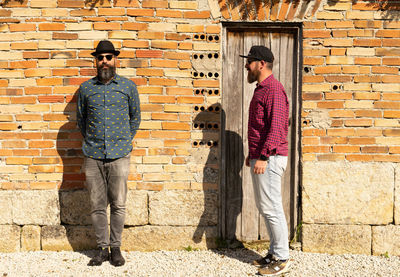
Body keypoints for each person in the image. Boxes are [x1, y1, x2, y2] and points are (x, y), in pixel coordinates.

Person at [77, 40, 141, 267]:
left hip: (120, 153)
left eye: (108, 57)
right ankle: (101, 249)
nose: (104, 61)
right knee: (96, 204)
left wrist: (122, 141)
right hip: (93, 154)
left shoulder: (128, 87)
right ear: (96, 61)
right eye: (100, 57)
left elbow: (136, 118)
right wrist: (93, 141)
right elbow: (81, 119)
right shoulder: (86, 88)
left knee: (119, 203)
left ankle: (116, 248)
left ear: (116, 60)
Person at [240, 46, 291, 276]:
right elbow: (260, 129)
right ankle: (273, 251)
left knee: (272, 208)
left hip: (270, 158)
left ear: (261, 64)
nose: (246, 66)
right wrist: (252, 155)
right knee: (265, 206)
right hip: (261, 157)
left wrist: (262, 156)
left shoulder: (274, 90)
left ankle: (282, 257)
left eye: (249, 61)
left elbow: (277, 127)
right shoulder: (261, 89)